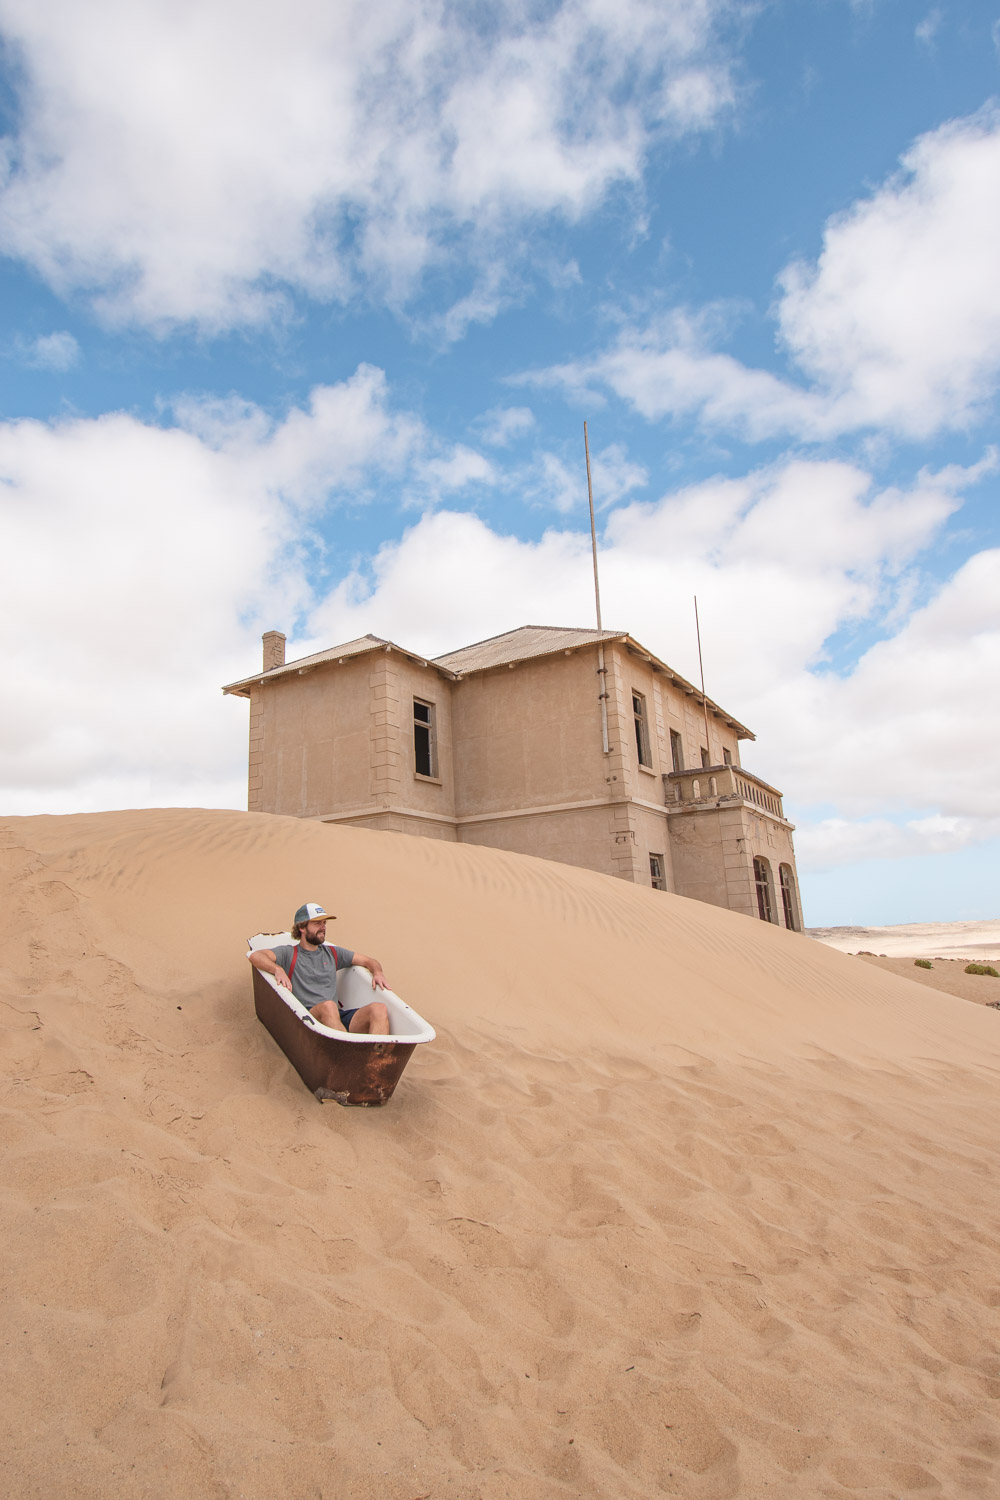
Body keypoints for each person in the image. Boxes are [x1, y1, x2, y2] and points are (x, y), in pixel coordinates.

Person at [249, 902, 390, 1035]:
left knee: (379, 1009)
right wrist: (277, 969)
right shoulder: (289, 953)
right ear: (302, 927)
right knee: (328, 1007)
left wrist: (377, 972)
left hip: (336, 1018)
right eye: (317, 923)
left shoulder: (332, 953)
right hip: (308, 1019)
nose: (323, 927)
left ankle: (377, 1059)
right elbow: (256, 956)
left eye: (324, 923)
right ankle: (346, 1052)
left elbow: (368, 960)